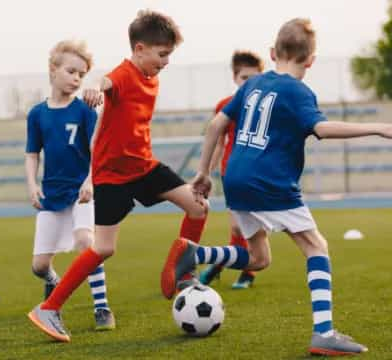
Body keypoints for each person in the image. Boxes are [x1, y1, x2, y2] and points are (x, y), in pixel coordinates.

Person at [165, 18, 392, 355]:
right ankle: (324, 333)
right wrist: (378, 127)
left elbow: (216, 124)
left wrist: (203, 172)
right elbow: (323, 129)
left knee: (258, 258)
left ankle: (196, 253)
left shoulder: (252, 84)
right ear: (311, 60)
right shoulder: (298, 91)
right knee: (316, 247)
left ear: (272, 52)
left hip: (236, 180)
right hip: (270, 182)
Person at [28, 10, 251, 342]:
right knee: (102, 249)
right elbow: (106, 83)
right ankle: (49, 307)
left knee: (198, 206)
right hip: (112, 178)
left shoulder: (153, 77)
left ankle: (183, 272)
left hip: (145, 167)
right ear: (140, 48)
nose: (165, 62)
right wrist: (92, 87)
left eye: (169, 56)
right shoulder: (124, 73)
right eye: (162, 55)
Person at [26, 39, 115, 341]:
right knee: (38, 266)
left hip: (81, 192)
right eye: (71, 71)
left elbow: (97, 149)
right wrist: (31, 184)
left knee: (85, 241)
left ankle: (102, 307)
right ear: (53, 70)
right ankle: (53, 280)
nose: (77, 78)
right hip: (52, 196)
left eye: (81, 74)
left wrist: (90, 180)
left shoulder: (85, 111)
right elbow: (32, 153)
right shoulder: (37, 114)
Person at [199, 50, 264, 289]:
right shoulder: (225, 106)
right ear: (236, 78)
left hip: (259, 173)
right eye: (245, 78)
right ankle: (238, 269)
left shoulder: (264, 107)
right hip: (232, 173)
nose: (250, 83)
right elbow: (219, 141)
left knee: (249, 225)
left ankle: (228, 267)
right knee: (238, 225)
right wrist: (208, 171)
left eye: (255, 78)